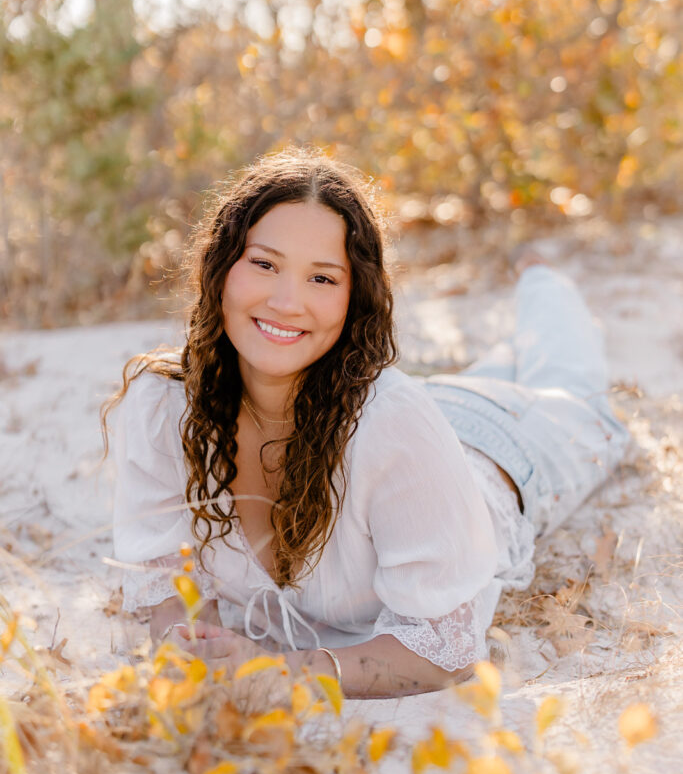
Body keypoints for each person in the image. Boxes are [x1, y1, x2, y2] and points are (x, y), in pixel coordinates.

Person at [105, 150, 629, 699]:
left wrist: (278, 672)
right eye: (264, 264)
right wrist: (194, 651)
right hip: (423, 416)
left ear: (354, 299)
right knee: (500, 365)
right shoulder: (163, 406)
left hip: (497, 448)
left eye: (322, 278)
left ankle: (541, 277)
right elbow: (169, 592)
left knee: (574, 386)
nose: (286, 302)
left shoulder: (393, 423)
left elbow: (442, 653)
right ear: (221, 268)